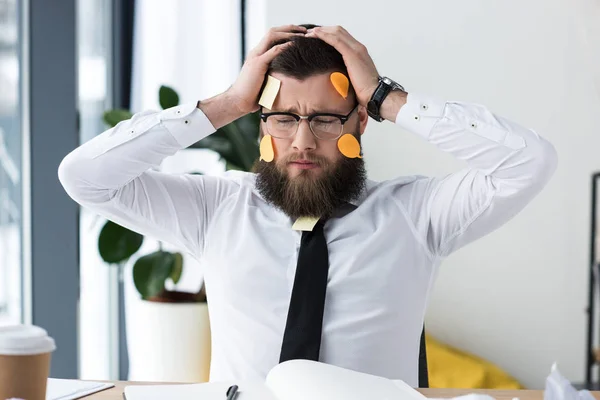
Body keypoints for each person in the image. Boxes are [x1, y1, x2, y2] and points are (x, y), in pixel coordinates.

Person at [58, 24, 558, 386]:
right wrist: (228, 103)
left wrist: (387, 97)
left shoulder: (418, 215)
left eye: (323, 119)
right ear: (260, 124)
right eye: (282, 118)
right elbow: (84, 177)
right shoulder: (214, 210)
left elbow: (529, 161)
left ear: (360, 123)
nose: (301, 141)